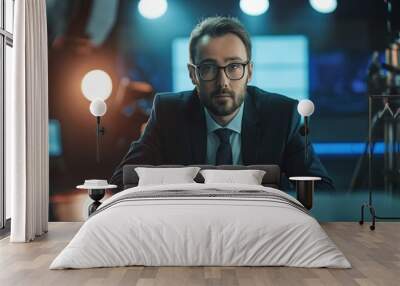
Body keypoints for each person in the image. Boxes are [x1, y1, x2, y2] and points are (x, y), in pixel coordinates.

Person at [110, 16, 333, 191]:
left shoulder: (282, 115)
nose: (223, 81)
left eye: (234, 66)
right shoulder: (169, 112)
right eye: (208, 68)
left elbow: (322, 190)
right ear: (192, 74)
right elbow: (122, 180)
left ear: (250, 72)